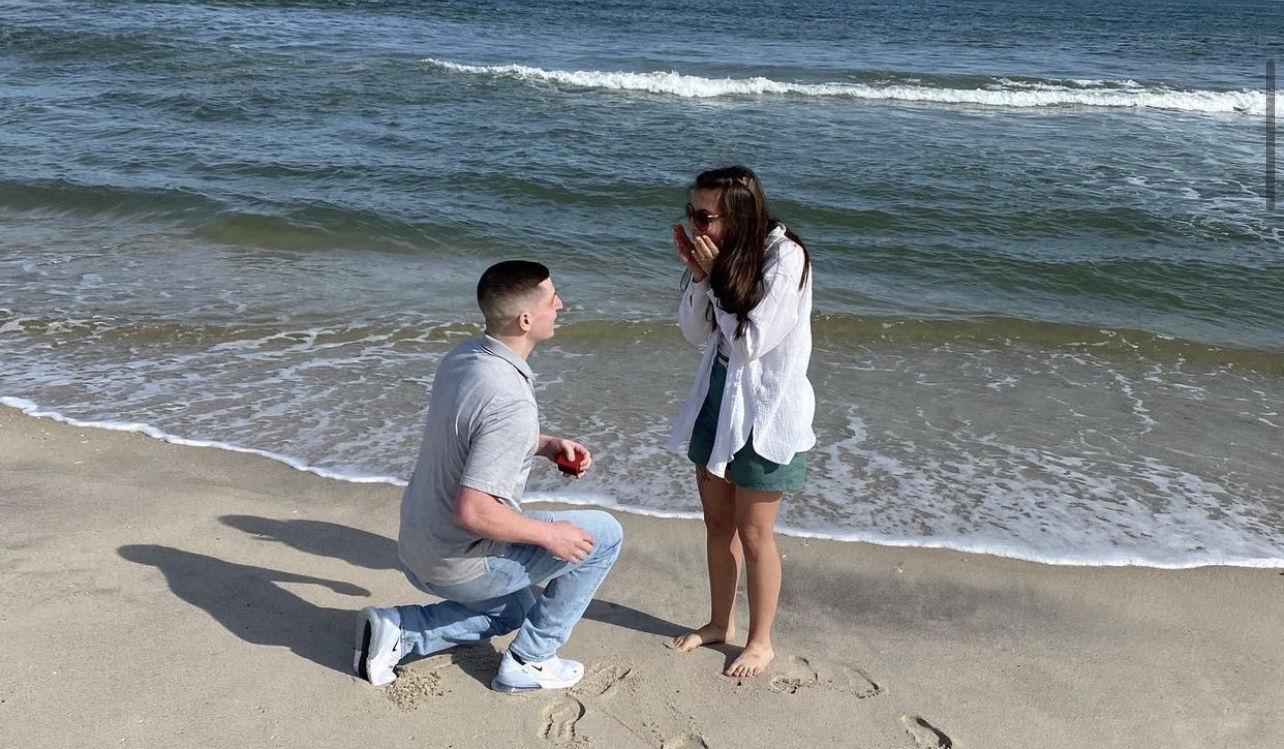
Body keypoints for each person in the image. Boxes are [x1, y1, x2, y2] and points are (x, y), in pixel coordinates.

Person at [354, 260, 623, 693]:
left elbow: (472, 434)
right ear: (525, 320)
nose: (560, 304)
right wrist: (549, 536)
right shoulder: (510, 400)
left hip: (417, 546)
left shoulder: (462, 357)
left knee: (514, 609)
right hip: (457, 562)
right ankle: (531, 660)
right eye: (552, 298)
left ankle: (401, 629)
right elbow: (474, 511)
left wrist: (544, 444)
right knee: (605, 535)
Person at [667, 165, 815, 678]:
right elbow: (694, 333)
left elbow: (749, 343)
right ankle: (718, 622)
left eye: (705, 217)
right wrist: (700, 276)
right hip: (717, 399)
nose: (697, 226)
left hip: (766, 412)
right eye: (692, 213)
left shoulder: (785, 258)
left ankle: (761, 641)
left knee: (755, 534)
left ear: (739, 214)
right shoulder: (720, 256)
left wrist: (716, 281)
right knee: (717, 525)